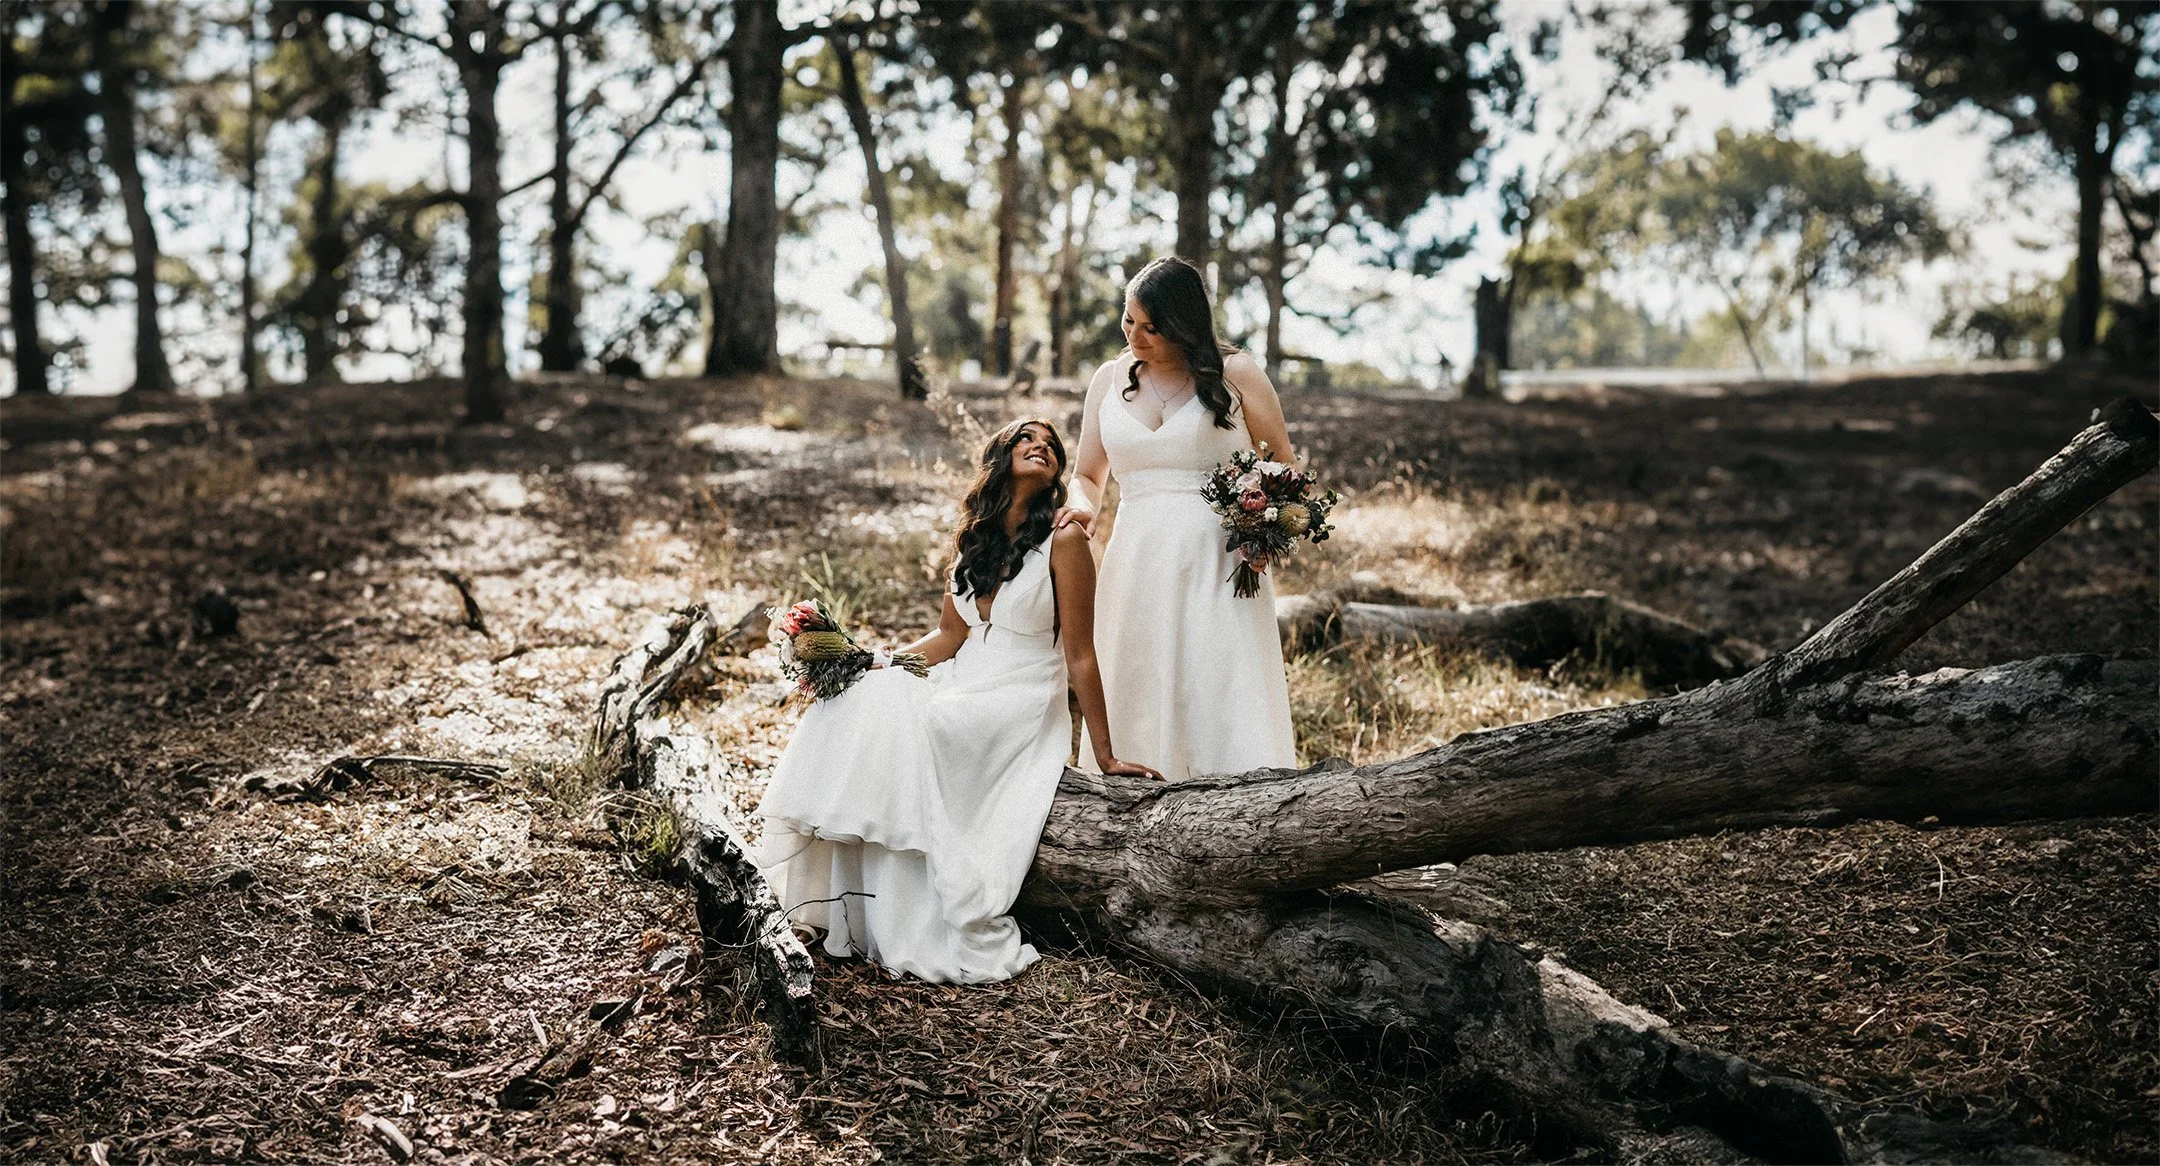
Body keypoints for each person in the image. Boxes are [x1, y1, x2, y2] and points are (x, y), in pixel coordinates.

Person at [756, 419, 1158, 985]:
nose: (1040, 445)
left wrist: (1105, 753)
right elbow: (948, 638)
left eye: (1051, 445)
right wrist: (874, 661)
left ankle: (907, 913)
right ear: (1000, 456)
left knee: (930, 725)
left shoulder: (1064, 542)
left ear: (1056, 474)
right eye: (1026, 437)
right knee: (863, 699)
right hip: (963, 677)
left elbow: (1081, 656)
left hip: (1018, 697)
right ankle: (846, 902)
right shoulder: (974, 539)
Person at [1061, 257, 1299, 781]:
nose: (1136, 336)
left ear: (1185, 325)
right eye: (1129, 321)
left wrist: (1262, 525)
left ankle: (1238, 807)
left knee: (1216, 682)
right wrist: (1082, 506)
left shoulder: (1235, 374)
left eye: (1152, 328)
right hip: (1136, 555)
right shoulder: (1108, 379)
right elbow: (1088, 475)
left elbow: (1283, 460)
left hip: (1220, 558)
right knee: (1139, 676)